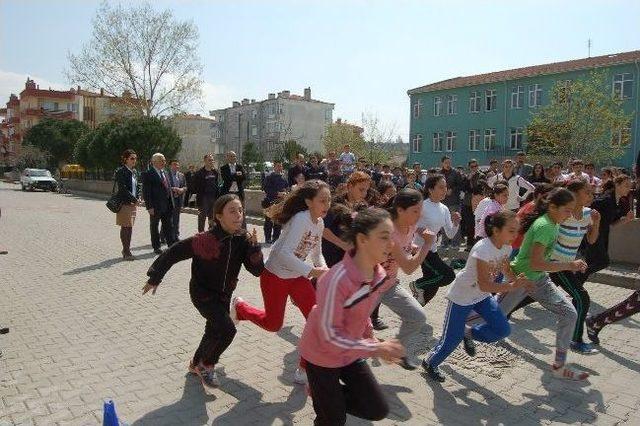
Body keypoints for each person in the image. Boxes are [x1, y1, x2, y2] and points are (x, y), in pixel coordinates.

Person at [143, 194, 264, 388]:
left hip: (224, 294)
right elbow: (173, 253)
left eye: (240, 210)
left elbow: (256, 271)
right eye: (232, 211)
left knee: (213, 329)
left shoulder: (242, 239)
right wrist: (155, 277)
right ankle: (207, 365)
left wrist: (254, 249)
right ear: (219, 216)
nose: (238, 215)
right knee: (227, 329)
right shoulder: (205, 240)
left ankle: (195, 364)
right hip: (203, 294)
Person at [298, 208, 405, 426]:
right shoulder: (336, 279)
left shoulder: (378, 274)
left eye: (391, 237)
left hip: (350, 350)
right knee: (334, 420)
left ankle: (324, 397)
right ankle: (325, 399)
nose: (391, 243)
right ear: (363, 240)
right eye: (384, 237)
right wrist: (375, 348)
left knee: (376, 409)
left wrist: (371, 336)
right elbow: (329, 336)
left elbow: (362, 309)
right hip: (322, 354)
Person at [232, 180, 331, 384]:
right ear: (308, 201)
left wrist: (324, 269)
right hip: (275, 276)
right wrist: (311, 271)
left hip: (296, 278)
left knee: (317, 320)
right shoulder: (301, 219)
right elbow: (285, 253)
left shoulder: (319, 223)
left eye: (329, 199)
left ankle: (304, 369)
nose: (327, 203)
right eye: (323, 200)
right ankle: (240, 307)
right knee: (273, 324)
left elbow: (317, 254)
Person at [488, 188, 590, 380]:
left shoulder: (554, 222)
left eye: (571, 210)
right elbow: (536, 262)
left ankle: (559, 366)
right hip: (521, 280)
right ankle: (460, 329)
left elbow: (541, 262)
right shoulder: (545, 226)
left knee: (569, 313)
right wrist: (570, 265)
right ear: (553, 207)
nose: (570, 215)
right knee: (491, 318)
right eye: (567, 210)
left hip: (539, 279)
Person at [423, 211, 531, 382]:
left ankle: (467, 333)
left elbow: (505, 269)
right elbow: (484, 284)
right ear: (496, 230)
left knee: (502, 329)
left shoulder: (507, 247)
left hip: (482, 297)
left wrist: (518, 280)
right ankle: (431, 362)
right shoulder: (482, 249)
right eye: (511, 230)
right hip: (463, 296)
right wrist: (511, 286)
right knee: (451, 340)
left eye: (516, 230)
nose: (515, 235)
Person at [375, 189, 435, 369]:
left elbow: (406, 246)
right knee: (354, 333)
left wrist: (414, 247)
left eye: (420, 210)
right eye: (415, 210)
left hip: (389, 284)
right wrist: (427, 245)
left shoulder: (410, 226)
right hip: (368, 288)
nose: (420, 214)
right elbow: (409, 268)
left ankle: (396, 350)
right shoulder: (389, 232)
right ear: (400, 210)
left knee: (417, 317)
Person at [546, 179, 601, 354]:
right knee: (582, 298)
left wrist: (596, 222)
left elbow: (591, 240)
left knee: (527, 295)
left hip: (567, 265)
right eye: (587, 192)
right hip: (555, 264)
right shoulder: (563, 214)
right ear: (575, 195)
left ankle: (500, 311)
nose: (591, 196)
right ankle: (575, 340)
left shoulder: (587, 214)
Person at [409, 174, 461, 306]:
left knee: (433, 285)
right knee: (448, 275)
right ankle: (417, 284)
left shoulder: (444, 209)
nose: (445, 190)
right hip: (420, 249)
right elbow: (411, 224)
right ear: (431, 189)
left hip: (432, 249)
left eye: (446, 187)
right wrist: (420, 230)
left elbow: (449, 234)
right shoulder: (422, 206)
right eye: (441, 187)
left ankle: (416, 311)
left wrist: (455, 223)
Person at [322, 171, 372, 267]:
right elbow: (322, 228)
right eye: (361, 190)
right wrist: (343, 245)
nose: (364, 194)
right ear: (349, 186)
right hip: (332, 253)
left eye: (366, 190)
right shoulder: (335, 204)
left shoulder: (362, 206)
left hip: (350, 255)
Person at [142, 153, 176, 255]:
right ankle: (156, 247)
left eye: (164, 160)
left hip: (167, 205)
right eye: (161, 160)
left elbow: (167, 188)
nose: (164, 162)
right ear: (154, 162)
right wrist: (149, 206)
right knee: (154, 226)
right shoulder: (148, 174)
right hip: (155, 206)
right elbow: (146, 192)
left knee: (168, 225)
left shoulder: (165, 172)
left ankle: (171, 245)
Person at [113, 149, 140, 261]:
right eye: (132, 158)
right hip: (124, 203)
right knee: (125, 227)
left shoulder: (134, 172)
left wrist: (138, 197)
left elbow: (136, 187)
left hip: (132, 203)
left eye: (135, 158)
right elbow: (123, 189)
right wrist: (134, 199)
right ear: (125, 159)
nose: (134, 161)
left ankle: (127, 250)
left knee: (129, 227)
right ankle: (126, 251)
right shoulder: (121, 171)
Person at [262, 160, 289, 244]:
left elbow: (287, 188)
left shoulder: (284, 178)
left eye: (280, 166)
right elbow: (266, 189)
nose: (279, 168)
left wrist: (286, 193)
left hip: (280, 202)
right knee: (269, 220)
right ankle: (267, 238)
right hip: (270, 201)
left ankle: (276, 238)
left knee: (278, 221)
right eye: (277, 166)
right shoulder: (269, 177)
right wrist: (278, 193)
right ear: (274, 167)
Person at [440, 156, 464, 246]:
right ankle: (444, 241)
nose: (448, 164)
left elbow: (460, 185)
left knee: (455, 221)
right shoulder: (439, 174)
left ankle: (455, 242)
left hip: (454, 201)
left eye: (449, 162)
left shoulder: (456, 173)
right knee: (444, 221)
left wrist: (452, 190)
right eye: (446, 162)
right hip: (443, 202)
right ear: (442, 163)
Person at [461, 159, 485, 247]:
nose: (474, 168)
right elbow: (463, 188)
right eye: (472, 167)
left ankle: (477, 244)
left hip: (477, 203)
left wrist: (469, 189)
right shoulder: (467, 176)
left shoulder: (481, 175)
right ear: (469, 167)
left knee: (478, 223)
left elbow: (479, 189)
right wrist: (468, 179)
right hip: (467, 202)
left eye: (475, 166)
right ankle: (470, 244)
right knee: (469, 224)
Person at [193, 154, 219, 232]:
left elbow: (216, 184)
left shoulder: (215, 172)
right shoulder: (199, 173)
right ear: (205, 161)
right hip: (203, 199)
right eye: (209, 160)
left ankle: (211, 234)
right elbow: (195, 187)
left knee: (212, 218)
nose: (212, 162)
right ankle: (201, 235)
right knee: (202, 218)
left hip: (213, 198)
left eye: (212, 160)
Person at [168, 160, 186, 242]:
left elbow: (185, 186)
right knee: (168, 218)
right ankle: (164, 235)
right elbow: (164, 186)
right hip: (169, 200)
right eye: (174, 164)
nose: (176, 166)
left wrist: (182, 189)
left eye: (178, 165)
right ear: (170, 166)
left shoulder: (181, 175)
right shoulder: (166, 175)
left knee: (176, 218)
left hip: (178, 200)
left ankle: (175, 235)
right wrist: (173, 189)